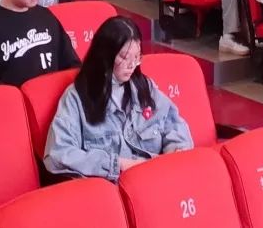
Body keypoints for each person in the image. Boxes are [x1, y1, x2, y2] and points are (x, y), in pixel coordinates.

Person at [44, 16, 193, 181]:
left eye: (137, 57)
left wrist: (177, 150)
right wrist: (118, 165)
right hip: (112, 188)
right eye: (124, 57)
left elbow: (173, 123)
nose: (131, 65)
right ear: (104, 56)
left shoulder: (144, 87)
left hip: (156, 180)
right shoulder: (77, 97)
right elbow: (58, 154)